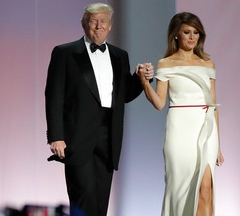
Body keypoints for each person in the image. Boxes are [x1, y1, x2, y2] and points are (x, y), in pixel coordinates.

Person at [45, 3, 153, 216]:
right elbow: (54, 96)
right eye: (93, 21)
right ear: (84, 24)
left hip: (108, 136)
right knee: (82, 197)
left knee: (100, 201)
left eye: (103, 21)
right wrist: (56, 136)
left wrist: (141, 79)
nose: (98, 26)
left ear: (110, 26)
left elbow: (124, 95)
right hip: (78, 136)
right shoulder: (64, 53)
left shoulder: (119, 56)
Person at [137, 12, 224, 216]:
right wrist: (143, 82)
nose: (192, 37)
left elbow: (213, 105)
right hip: (179, 131)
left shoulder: (207, 64)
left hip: (206, 129)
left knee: (206, 189)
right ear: (176, 34)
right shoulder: (166, 64)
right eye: (187, 32)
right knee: (180, 191)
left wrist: (218, 146)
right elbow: (159, 103)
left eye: (196, 33)